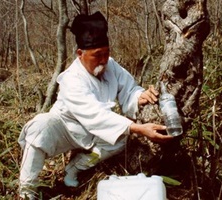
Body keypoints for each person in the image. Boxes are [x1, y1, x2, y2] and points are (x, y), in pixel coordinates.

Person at [18, 11, 173, 199]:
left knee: (123, 139)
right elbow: (95, 115)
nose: (103, 61)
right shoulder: (72, 79)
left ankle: (76, 166)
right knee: (39, 127)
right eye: (97, 55)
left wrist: (139, 96)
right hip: (65, 127)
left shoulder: (111, 66)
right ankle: (27, 190)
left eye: (106, 54)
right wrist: (138, 128)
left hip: (95, 130)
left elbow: (129, 89)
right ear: (80, 54)